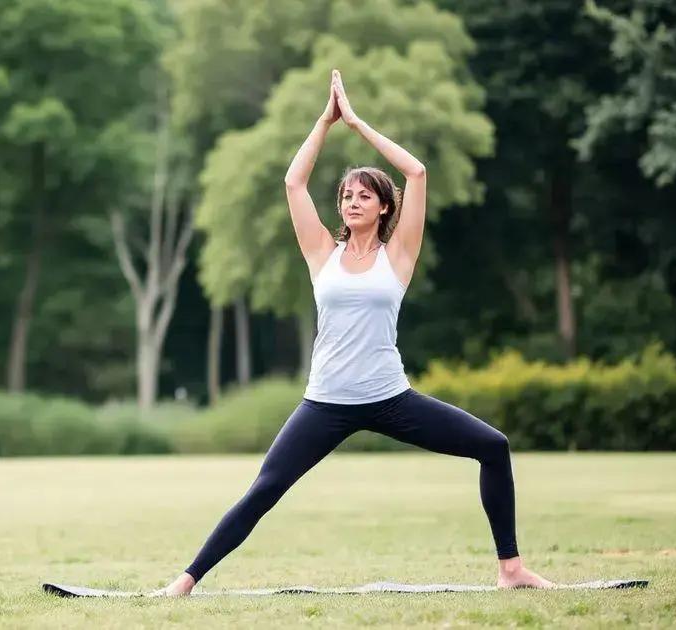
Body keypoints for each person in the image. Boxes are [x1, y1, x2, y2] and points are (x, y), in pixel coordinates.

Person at [151, 69, 554, 597]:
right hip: (325, 402)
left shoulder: (399, 255)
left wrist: (358, 123)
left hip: (390, 397)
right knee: (264, 490)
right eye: (346, 194)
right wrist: (325, 121)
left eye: (364, 194)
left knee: (493, 447)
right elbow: (294, 183)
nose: (352, 201)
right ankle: (183, 584)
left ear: (383, 206)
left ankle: (512, 569)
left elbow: (418, 171)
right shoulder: (323, 254)